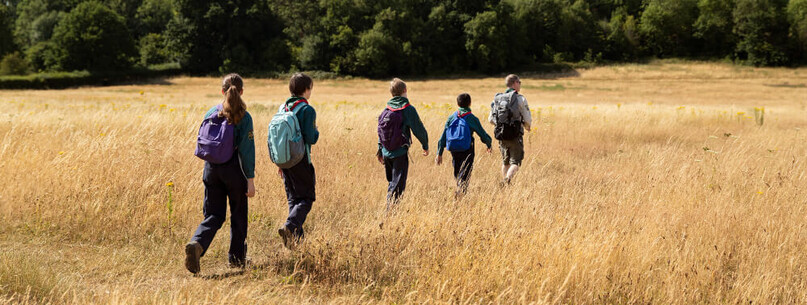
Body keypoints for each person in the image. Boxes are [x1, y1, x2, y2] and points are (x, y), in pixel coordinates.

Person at [186, 73, 256, 274]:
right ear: (241, 92)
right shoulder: (244, 116)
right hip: (234, 171)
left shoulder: (211, 111)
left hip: (210, 169)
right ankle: (236, 259)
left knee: (214, 214)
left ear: (222, 91)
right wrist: (250, 180)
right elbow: (247, 151)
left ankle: (197, 243)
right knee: (238, 215)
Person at [277, 73, 319, 248]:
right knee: (306, 198)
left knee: (293, 199)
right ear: (306, 89)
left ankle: (296, 241)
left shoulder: (283, 108)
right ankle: (290, 226)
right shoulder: (307, 110)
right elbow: (311, 138)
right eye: (311, 88)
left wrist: (280, 163)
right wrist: (316, 131)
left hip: (284, 159)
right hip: (300, 159)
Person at [376, 78, 429, 209]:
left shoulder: (386, 110)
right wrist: (425, 145)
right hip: (399, 152)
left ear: (391, 93)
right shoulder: (408, 109)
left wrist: (379, 149)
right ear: (405, 90)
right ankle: (390, 213)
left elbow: (381, 131)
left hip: (386, 152)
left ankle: (392, 210)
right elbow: (419, 129)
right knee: (398, 186)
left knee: (392, 183)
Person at [436, 93, 492, 198]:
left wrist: (439, 153)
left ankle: (459, 190)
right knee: (465, 172)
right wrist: (489, 144)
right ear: (470, 103)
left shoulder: (451, 117)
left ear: (457, 103)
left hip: (453, 148)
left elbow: (443, 136)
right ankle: (461, 192)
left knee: (457, 170)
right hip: (467, 148)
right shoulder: (471, 118)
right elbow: (483, 134)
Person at [489, 74, 532, 185]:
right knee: (516, 162)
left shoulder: (498, 99)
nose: (520, 84)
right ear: (514, 83)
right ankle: (506, 180)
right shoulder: (520, 98)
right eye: (519, 82)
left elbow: (491, 119)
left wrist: (502, 126)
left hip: (501, 135)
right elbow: (527, 117)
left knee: (505, 161)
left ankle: (505, 184)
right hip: (515, 134)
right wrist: (527, 127)